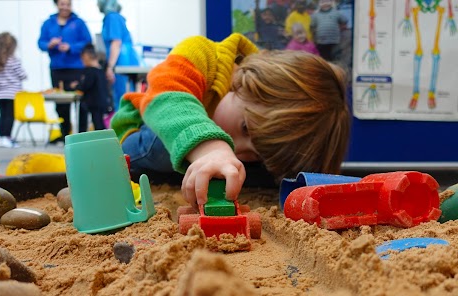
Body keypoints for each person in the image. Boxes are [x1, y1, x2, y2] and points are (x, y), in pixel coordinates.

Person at [111, 33, 350, 208]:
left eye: (256, 153)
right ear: (244, 84)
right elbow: (166, 99)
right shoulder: (202, 54)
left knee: (255, 171)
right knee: (166, 142)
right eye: (246, 128)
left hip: (204, 163)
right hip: (139, 139)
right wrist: (213, 148)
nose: (239, 148)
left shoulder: (242, 146)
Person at [38, 0, 92, 143]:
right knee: (61, 103)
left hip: (76, 68)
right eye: (62, 4)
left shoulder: (79, 23)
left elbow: (87, 42)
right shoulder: (48, 23)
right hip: (57, 68)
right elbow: (41, 42)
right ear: (57, 5)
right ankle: (65, 133)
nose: (65, 7)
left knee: (81, 101)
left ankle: (81, 135)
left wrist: (71, 47)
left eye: (68, 4)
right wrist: (49, 44)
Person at [97, 0, 139, 113]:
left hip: (121, 61)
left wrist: (110, 67)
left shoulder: (112, 18)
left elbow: (116, 42)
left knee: (123, 100)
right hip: (126, 60)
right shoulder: (117, 17)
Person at [0, 32, 27, 148]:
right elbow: (22, 75)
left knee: (2, 115)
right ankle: (8, 137)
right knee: (10, 116)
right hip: (12, 93)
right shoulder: (13, 60)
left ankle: (1, 138)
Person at [70, 44, 108, 132]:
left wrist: (76, 86)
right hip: (101, 102)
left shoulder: (90, 72)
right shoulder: (101, 71)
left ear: (86, 57)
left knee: (96, 124)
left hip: (93, 102)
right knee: (99, 123)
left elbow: (85, 86)